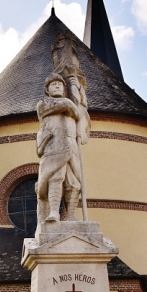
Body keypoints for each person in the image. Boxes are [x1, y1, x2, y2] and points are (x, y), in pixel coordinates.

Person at [35, 72, 89, 223]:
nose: (57, 85)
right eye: (54, 84)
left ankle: (71, 215)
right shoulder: (43, 103)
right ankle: (54, 212)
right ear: (47, 90)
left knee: (74, 182)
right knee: (56, 177)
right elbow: (66, 107)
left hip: (71, 145)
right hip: (54, 144)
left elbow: (78, 113)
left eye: (60, 84)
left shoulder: (70, 103)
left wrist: (75, 90)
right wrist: (70, 105)